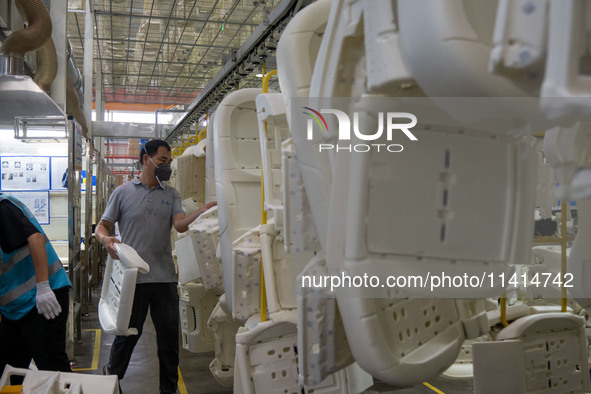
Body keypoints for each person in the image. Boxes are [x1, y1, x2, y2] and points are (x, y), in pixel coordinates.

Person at [95, 139, 216, 394]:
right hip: (134, 279)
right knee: (127, 336)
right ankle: (111, 381)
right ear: (145, 159)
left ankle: (168, 390)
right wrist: (107, 240)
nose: (167, 166)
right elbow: (101, 227)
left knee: (169, 340)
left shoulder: (170, 194)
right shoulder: (123, 193)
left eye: (169, 162)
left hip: (164, 278)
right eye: (163, 160)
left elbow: (180, 224)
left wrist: (202, 211)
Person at [0, 193, 72, 378]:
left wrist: (43, 287)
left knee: (51, 365)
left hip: (42, 299)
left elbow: (36, 239)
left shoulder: (3, 208)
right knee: (10, 369)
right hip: (14, 307)